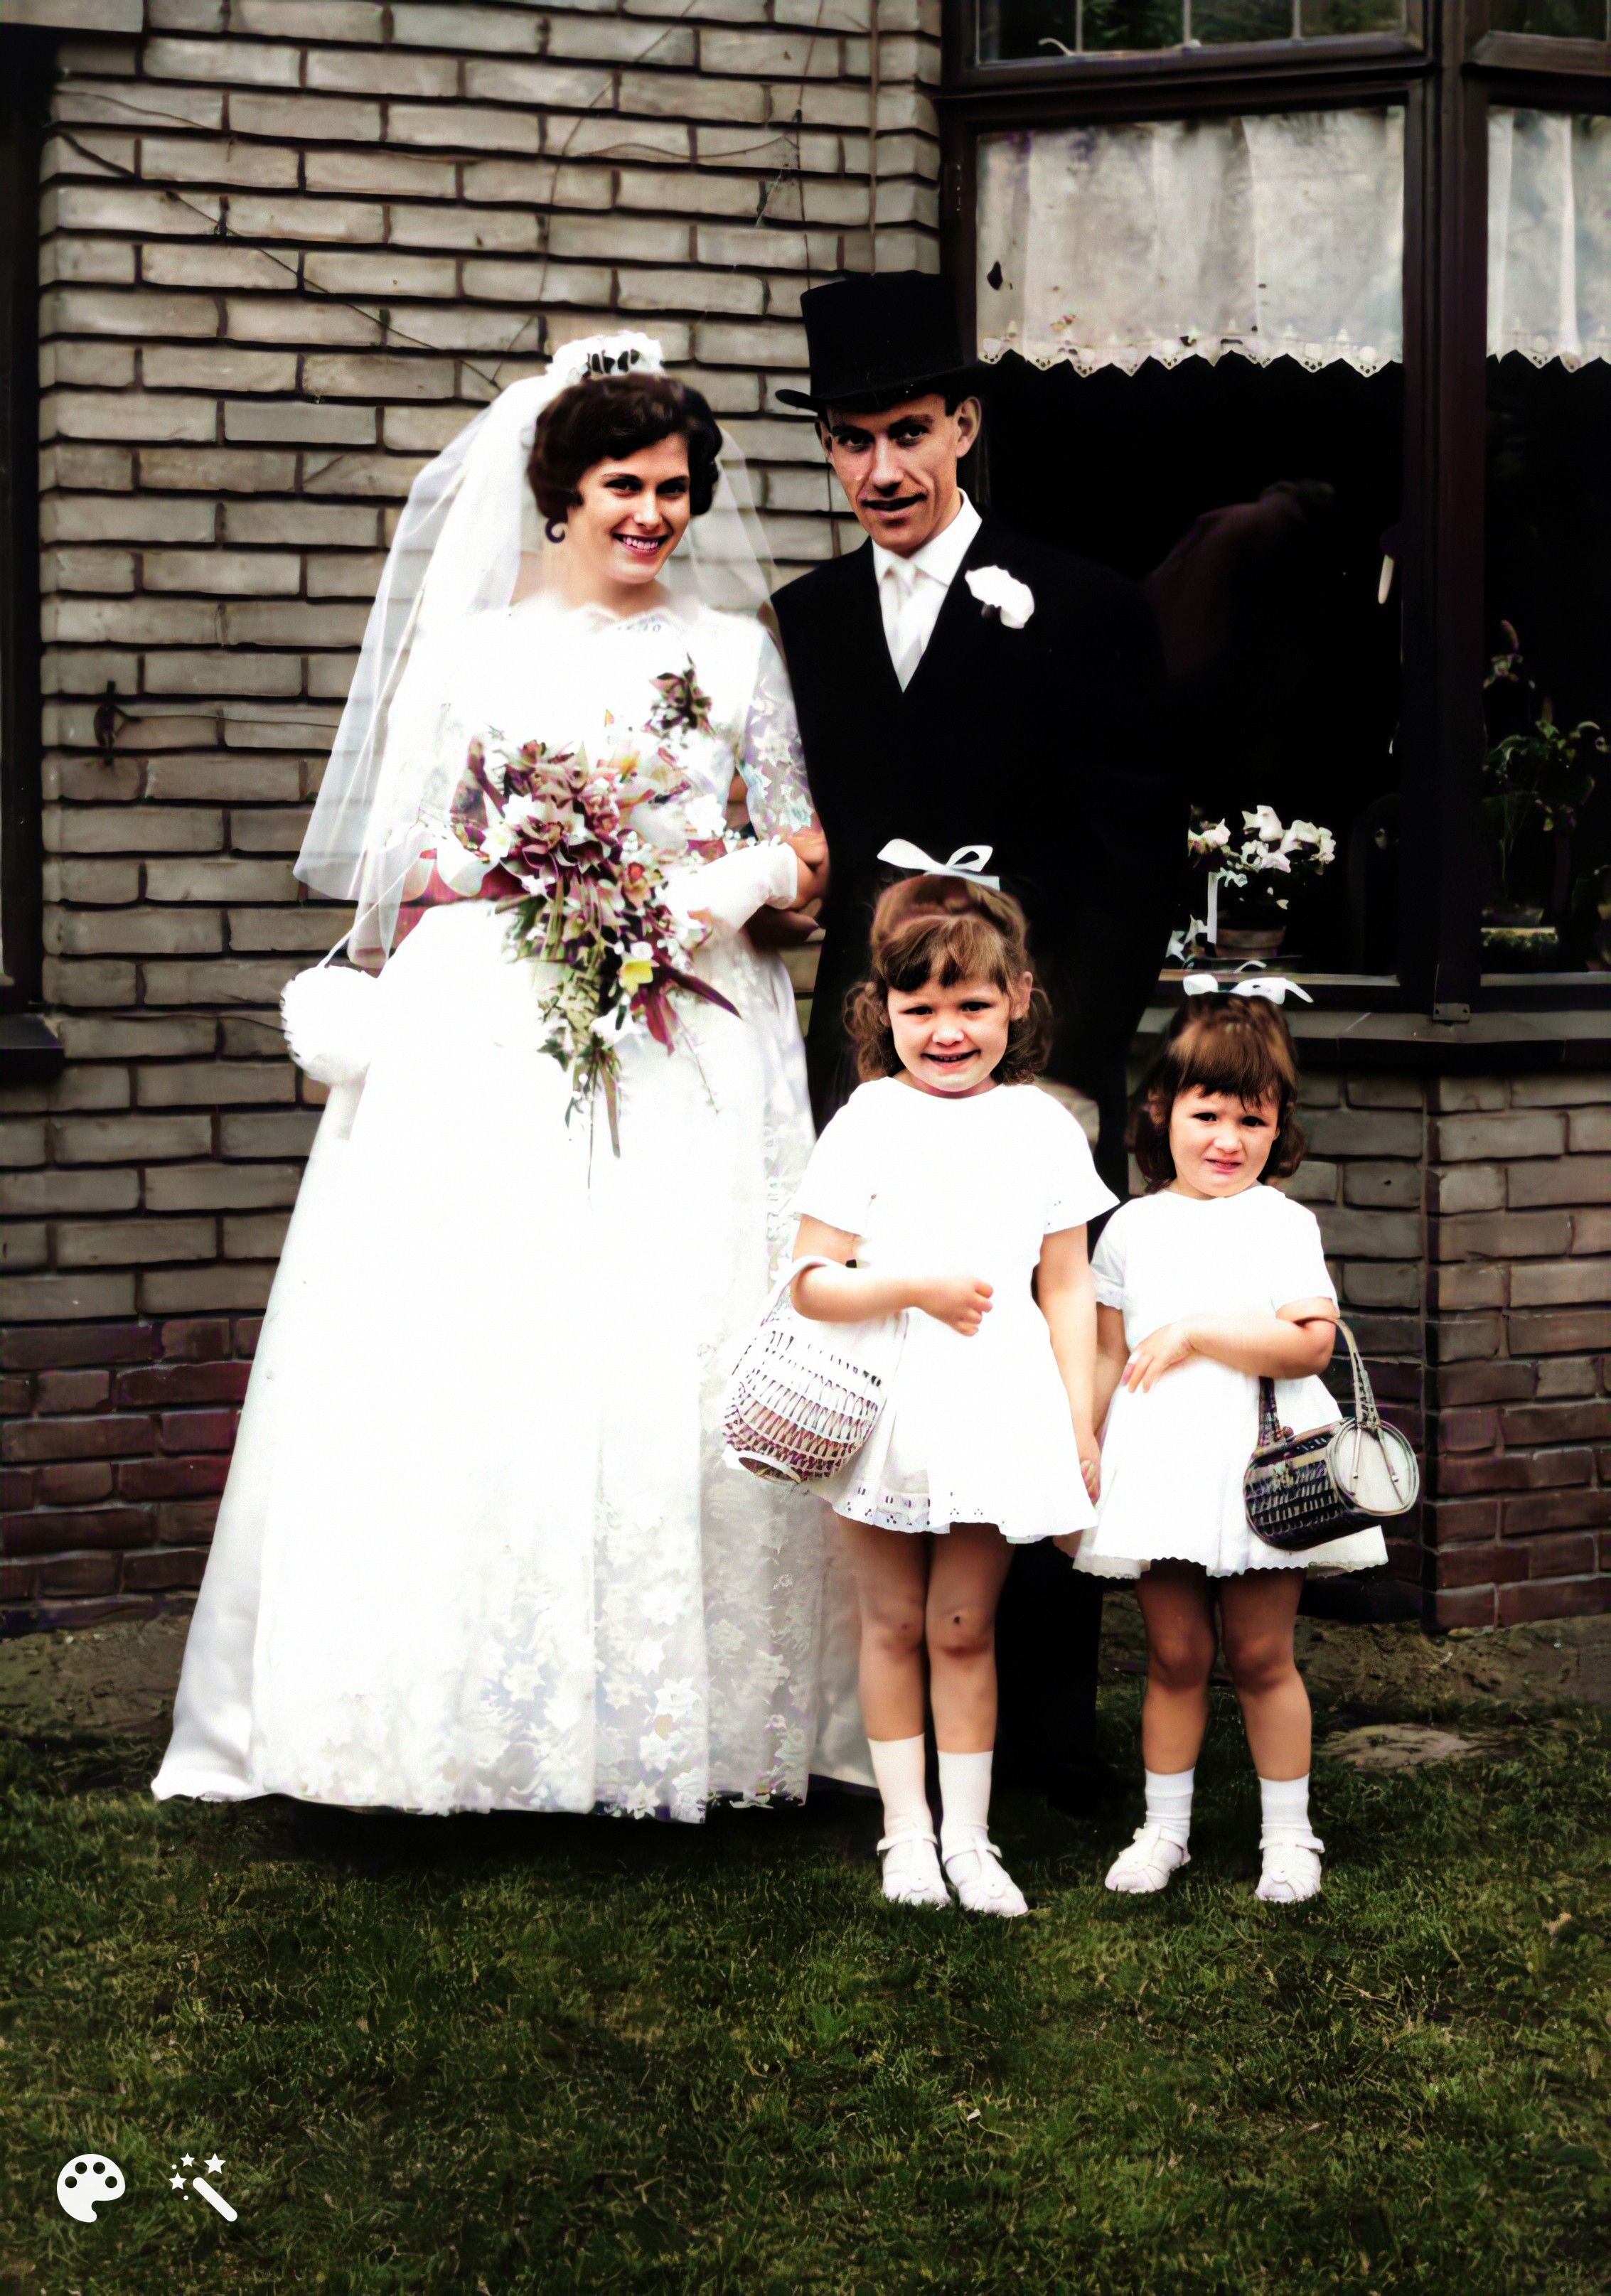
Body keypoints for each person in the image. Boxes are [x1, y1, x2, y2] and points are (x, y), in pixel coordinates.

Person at [153, 334, 835, 1821]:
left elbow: (800, 840)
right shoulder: (475, 650)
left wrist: (719, 890)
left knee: (668, 1328)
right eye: (622, 485)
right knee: (488, 1330)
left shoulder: (732, 652)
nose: (651, 514)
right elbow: (405, 853)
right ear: (560, 491)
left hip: (692, 1030)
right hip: (501, 1028)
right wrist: (531, 865)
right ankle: (454, 1717)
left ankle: (683, 1722)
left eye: (674, 488)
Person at [771, 269, 1185, 1801]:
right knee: (882, 1359)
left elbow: (1135, 854)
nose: (881, 469)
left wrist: (1061, 1069)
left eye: (907, 432)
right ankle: (872, 1730)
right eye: (850, 441)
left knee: (1031, 1362)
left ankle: (1041, 1743)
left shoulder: (1079, 601)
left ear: (962, 426)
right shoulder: (802, 620)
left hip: (1026, 1062)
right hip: (866, 1063)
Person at [788, 867, 1115, 1914]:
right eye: (919, 1006)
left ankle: (970, 1841)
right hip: (883, 1398)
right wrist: (912, 1287)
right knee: (891, 1622)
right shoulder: (868, 1118)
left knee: (964, 1624)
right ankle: (906, 1836)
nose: (945, 1031)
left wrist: (1077, 1418)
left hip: (996, 1400)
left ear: (1017, 1000)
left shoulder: (1041, 1126)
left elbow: (1067, 1284)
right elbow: (807, 1281)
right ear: (881, 1007)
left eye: (971, 1005)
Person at [1071, 986, 1387, 1903]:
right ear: (1161, 1110)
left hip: (1261, 1464)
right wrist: (1084, 1439)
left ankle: (1289, 1836)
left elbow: (1310, 1344)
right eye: (1206, 1114)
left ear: (1278, 1126)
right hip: (1161, 1465)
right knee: (1175, 1656)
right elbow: (1107, 1352)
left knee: (1258, 1655)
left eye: (1252, 1120)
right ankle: (1162, 1830)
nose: (1227, 1140)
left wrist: (1199, 1332)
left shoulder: (1280, 1222)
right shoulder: (1130, 1228)